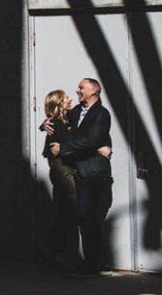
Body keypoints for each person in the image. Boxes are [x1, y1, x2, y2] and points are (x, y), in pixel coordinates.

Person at [50, 78, 113, 277]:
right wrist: (46, 123)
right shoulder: (78, 110)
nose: (77, 90)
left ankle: (92, 264)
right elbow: (61, 118)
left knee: (87, 217)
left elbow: (91, 139)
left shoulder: (101, 114)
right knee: (88, 218)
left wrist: (64, 148)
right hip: (82, 171)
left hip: (93, 173)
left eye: (81, 88)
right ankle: (101, 262)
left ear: (94, 91)